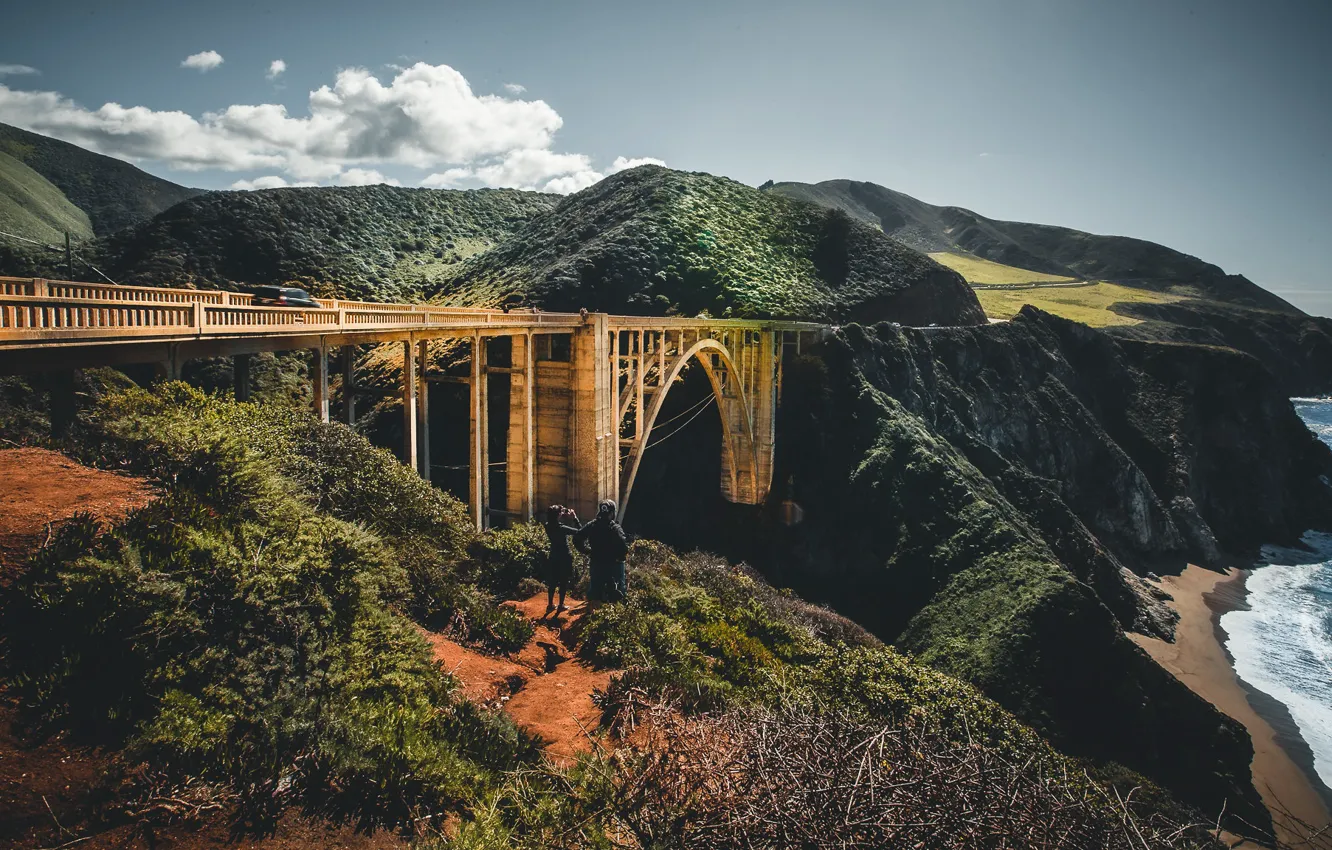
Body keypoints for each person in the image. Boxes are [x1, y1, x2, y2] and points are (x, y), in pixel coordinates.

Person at [573, 499, 630, 603]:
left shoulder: (592, 525)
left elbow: (577, 538)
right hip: (613, 564)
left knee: (595, 588)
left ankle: (593, 610)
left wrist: (587, 551)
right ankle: (618, 609)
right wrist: (620, 557)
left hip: (596, 561)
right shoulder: (615, 528)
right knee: (619, 589)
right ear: (612, 513)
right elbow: (623, 547)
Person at [543, 504, 579, 614]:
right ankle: (561, 605)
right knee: (563, 581)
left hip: (553, 555)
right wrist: (574, 518)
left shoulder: (547, 525)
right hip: (564, 556)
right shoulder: (562, 528)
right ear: (558, 515)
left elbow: (554, 519)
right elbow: (579, 531)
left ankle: (550, 605)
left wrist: (561, 512)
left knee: (552, 581)